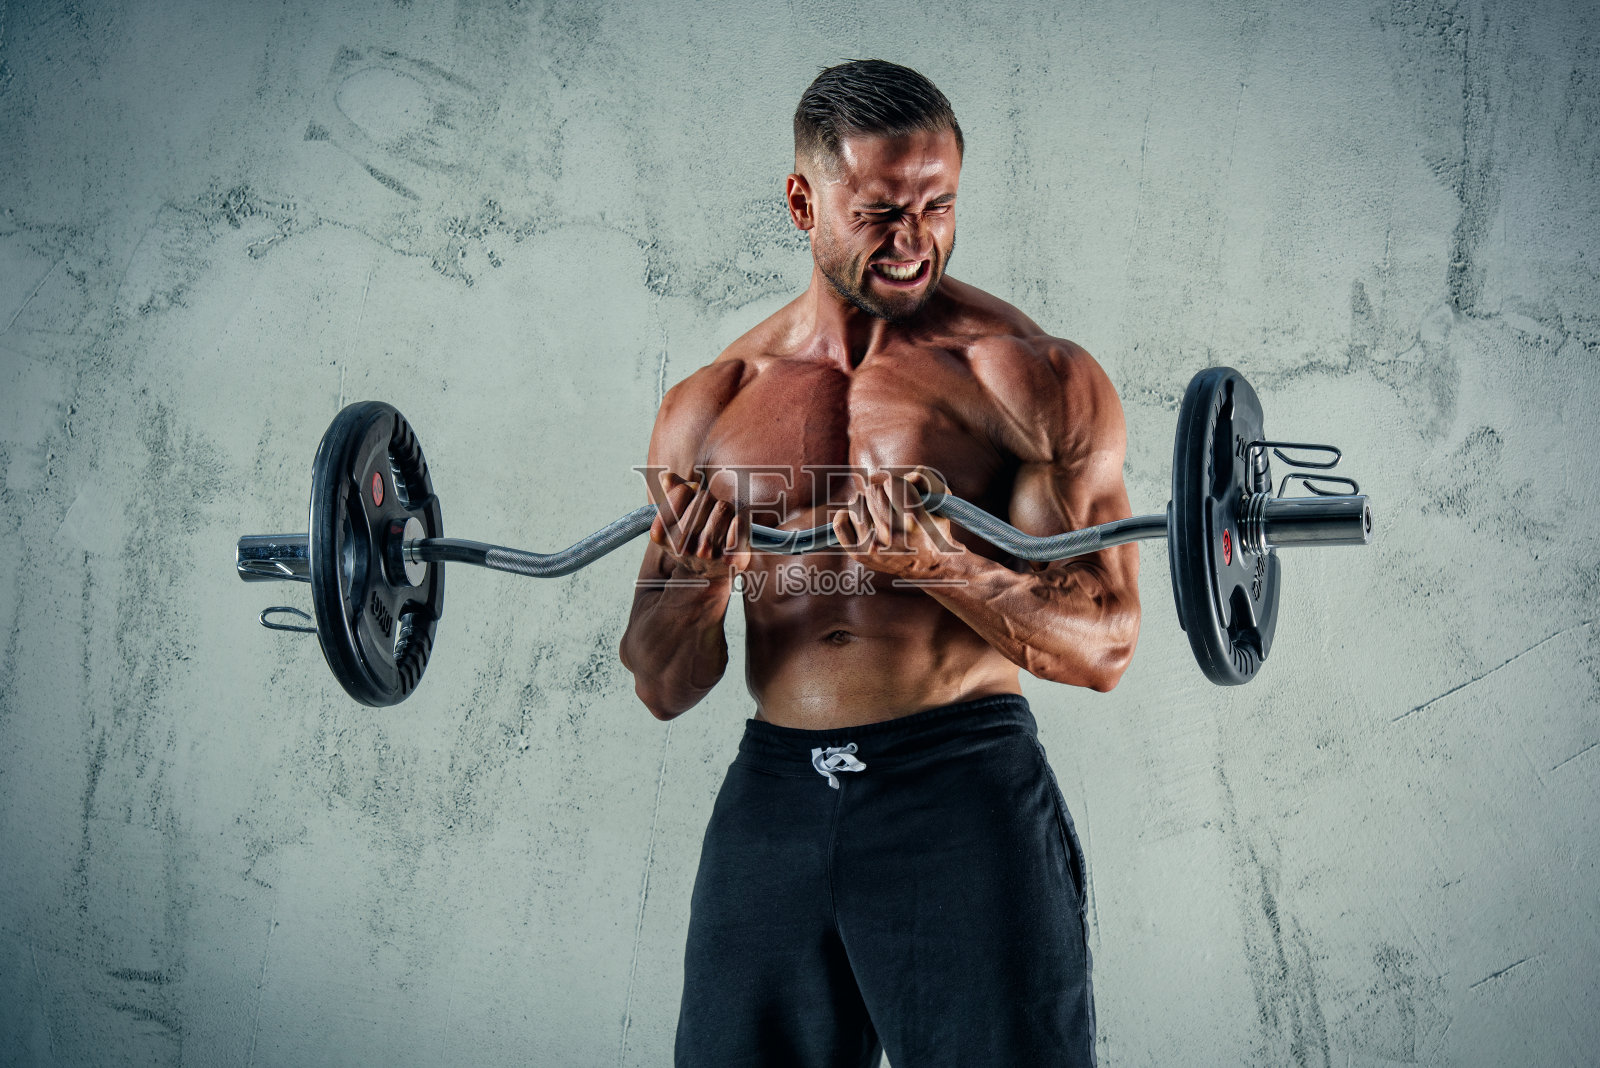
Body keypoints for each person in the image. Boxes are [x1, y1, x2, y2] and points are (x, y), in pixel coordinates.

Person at [618, 59, 1141, 1068]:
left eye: (938, 204)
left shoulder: (1027, 377)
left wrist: (939, 565)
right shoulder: (712, 402)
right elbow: (662, 684)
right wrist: (691, 592)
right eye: (878, 212)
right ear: (803, 201)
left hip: (956, 788)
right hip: (771, 804)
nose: (914, 243)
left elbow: (1105, 645)